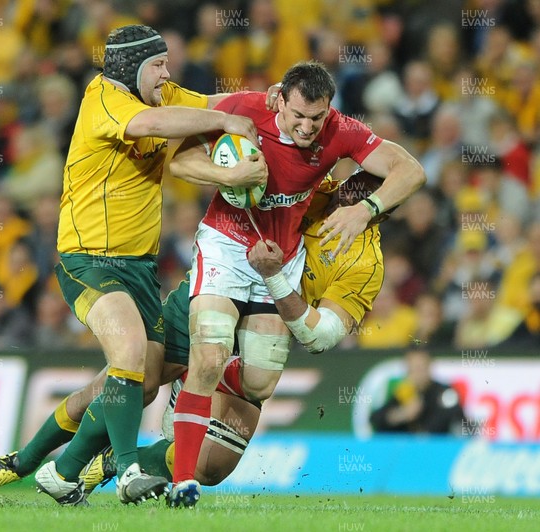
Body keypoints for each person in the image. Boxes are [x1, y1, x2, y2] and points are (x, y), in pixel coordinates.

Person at [0, 168, 390, 499]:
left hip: (261, 333)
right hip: (213, 296)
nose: (352, 196)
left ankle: (112, 463)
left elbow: (323, 336)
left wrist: (277, 280)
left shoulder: (365, 265)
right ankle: (21, 462)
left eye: (368, 195)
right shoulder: (316, 187)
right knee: (132, 381)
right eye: (355, 184)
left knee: (213, 467)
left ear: (383, 210)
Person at [167, 60, 425, 507]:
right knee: (208, 352)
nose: (307, 128)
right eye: (298, 115)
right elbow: (179, 158)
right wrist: (228, 176)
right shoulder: (248, 108)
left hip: (278, 265)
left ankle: (192, 393)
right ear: (281, 100)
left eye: (316, 118)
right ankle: (179, 482)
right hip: (227, 244)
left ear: (330, 111)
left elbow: (412, 170)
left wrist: (366, 210)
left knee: (260, 385)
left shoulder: (362, 252)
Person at [27, 23, 266, 507]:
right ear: (128, 68)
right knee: (131, 351)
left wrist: (270, 101)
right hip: (88, 259)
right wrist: (221, 129)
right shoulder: (105, 100)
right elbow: (150, 126)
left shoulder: (163, 96)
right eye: (156, 65)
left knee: (147, 377)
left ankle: (63, 471)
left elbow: (214, 103)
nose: (166, 73)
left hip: (139, 267)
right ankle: (130, 467)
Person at [369, 348, 466, 434]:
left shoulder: (444, 392)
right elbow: (376, 418)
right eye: (413, 369)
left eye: (420, 368)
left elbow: (456, 418)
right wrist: (402, 414)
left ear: (429, 367)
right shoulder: (405, 392)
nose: (417, 374)